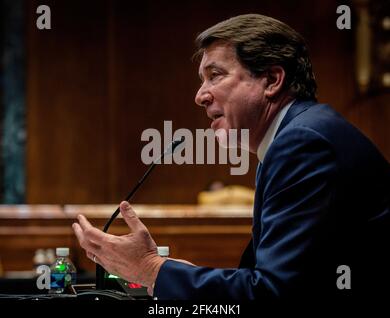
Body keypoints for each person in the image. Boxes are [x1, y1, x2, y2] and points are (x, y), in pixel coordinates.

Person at [73, 14, 389, 300]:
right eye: (202, 79)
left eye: (215, 75)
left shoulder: (303, 142)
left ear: (271, 80)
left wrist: (152, 269)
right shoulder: (298, 135)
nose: (200, 95)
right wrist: (172, 273)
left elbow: (270, 295)